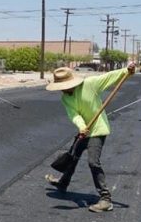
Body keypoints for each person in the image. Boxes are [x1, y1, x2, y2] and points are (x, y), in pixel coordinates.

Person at [45, 63, 136, 212]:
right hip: (84, 130)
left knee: (93, 162)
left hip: (98, 130)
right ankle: (63, 183)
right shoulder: (65, 98)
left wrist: (127, 70)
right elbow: (73, 114)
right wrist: (81, 127)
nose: (63, 89)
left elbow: (109, 77)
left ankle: (106, 199)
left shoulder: (90, 84)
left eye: (64, 86)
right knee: (73, 157)